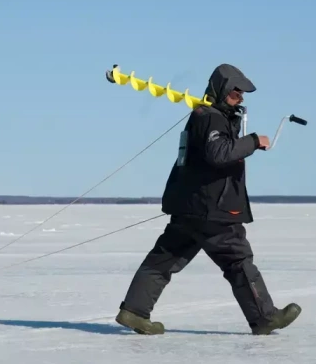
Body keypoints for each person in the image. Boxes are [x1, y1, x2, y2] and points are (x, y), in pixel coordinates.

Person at [115, 63, 301, 336]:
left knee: (162, 261)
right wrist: (252, 141)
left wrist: (241, 140)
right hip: (214, 209)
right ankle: (264, 318)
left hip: (190, 207)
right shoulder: (211, 117)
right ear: (221, 90)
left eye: (242, 96)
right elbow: (218, 153)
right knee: (238, 261)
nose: (240, 100)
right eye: (236, 94)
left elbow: (216, 152)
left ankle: (133, 311)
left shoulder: (204, 115)